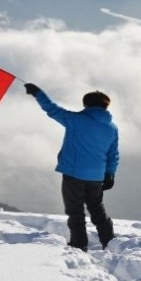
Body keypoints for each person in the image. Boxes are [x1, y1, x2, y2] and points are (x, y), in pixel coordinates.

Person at [24, 83, 119, 251]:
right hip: (97, 176)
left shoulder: (76, 120)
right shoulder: (112, 128)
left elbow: (52, 109)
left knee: (75, 211)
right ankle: (110, 242)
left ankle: (79, 244)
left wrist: (38, 93)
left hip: (74, 174)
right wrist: (110, 174)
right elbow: (113, 154)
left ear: (86, 104)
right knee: (97, 210)